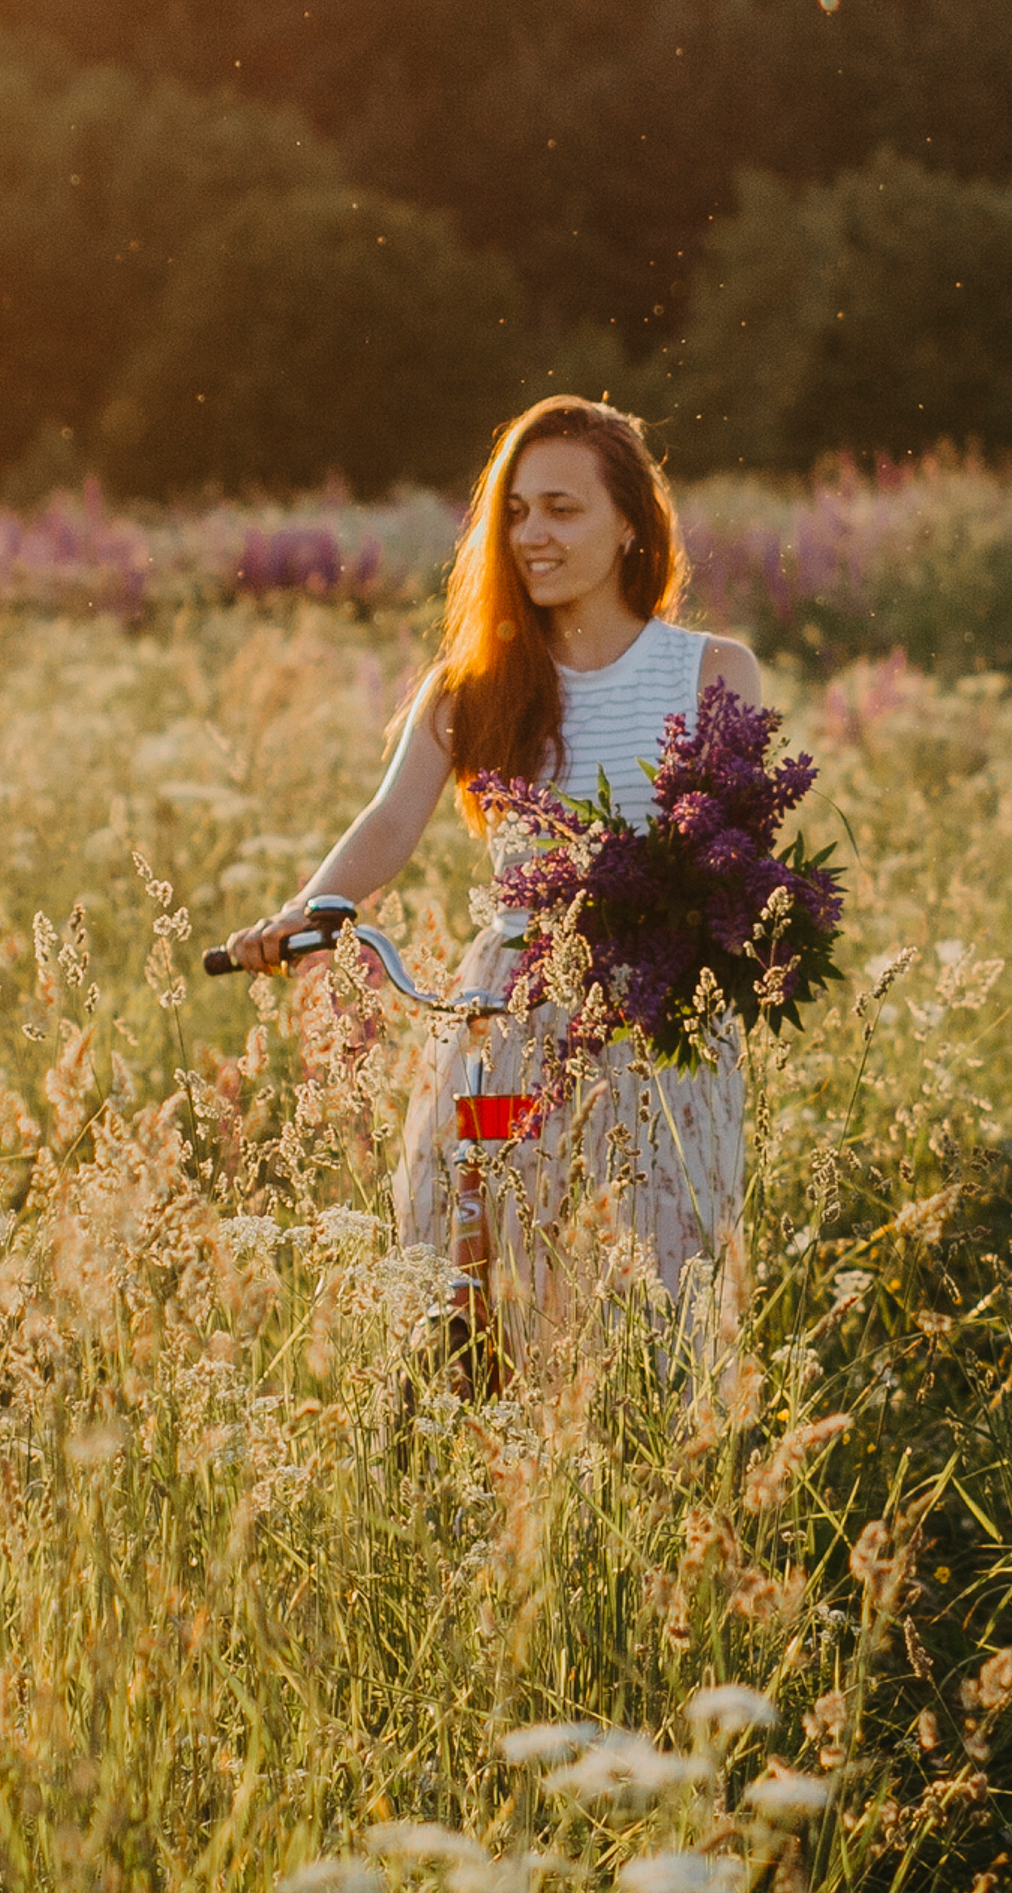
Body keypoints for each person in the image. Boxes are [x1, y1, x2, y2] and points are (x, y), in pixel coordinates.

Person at [224, 396, 758, 1350]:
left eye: (562, 509)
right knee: (484, 1273)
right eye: (514, 512)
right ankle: (500, 1481)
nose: (531, 535)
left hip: (659, 1025)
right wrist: (303, 915)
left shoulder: (710, 671)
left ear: (631, 522)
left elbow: (738, 856)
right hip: (508, 1022)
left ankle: (651, 1481)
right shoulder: (476, 684)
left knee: (656, 1290)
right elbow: (390, 820)